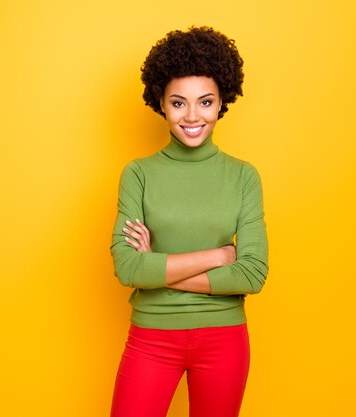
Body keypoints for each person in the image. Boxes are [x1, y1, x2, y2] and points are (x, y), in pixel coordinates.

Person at [109, 26, 269, 417]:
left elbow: (252, 276)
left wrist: (157, 269)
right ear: (161, 103)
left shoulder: (243, 176)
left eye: (206, 102)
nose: (193, 116)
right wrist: (219, 255)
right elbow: (128, 267)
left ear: (221, 103)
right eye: (179, 103)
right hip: (151, 338)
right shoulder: (139, 174)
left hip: (224, 339)